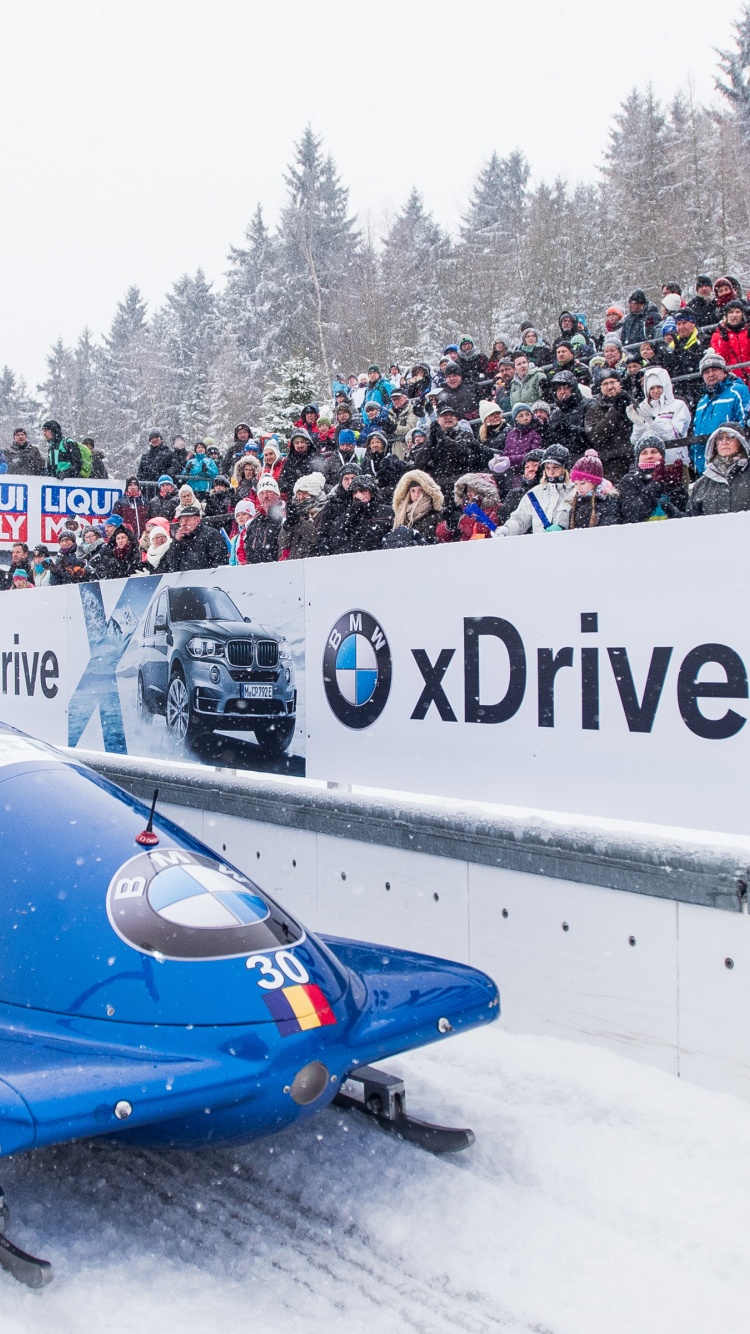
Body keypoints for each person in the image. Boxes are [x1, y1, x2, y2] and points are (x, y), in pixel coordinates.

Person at [494, 443, 575, 536]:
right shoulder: (535, 493)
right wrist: (507, 529)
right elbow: (520, 519)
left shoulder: (574, 491)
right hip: (539, 545)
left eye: (556, 467)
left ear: (565, 469)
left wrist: (563, 528)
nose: (551, 471)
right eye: (548, 468)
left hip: (568, 545)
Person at [692, 352, 750, 474]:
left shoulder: (738, 391)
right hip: (708, 466)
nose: (711, 374)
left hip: (733, 463)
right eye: (706, 372)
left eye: (715, 370)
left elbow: (745, 422)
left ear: (724, 372)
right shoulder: (702, 402)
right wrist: (700, 465)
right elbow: (697, 434)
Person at [627, 367, 691, 467]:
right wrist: (639, 424)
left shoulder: (678, 405)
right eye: (652, 388)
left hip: (674, 463)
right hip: (649, 466)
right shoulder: (643, 407)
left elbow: (676, 434)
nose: (655, 391)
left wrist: (652, 421)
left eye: (659, 387)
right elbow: (635, 441)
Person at [616, 438, 687, 524]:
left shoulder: (668, 477)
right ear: (637, 458)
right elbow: (633, 514)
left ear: (662, 456)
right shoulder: (628, 481)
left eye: (654, 452)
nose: (649, 456)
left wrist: (675, 487)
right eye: (644, 453)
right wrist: (655, 486)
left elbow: (684, 511)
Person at [583, 370, 634, 482]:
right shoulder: (595, 408)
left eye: (612, 382)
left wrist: (629, 404)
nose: (610, 387)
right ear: (600, 387)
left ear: (619, 384)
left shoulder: (630, 400)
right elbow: (595, 436)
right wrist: (615, 410)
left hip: (632, 458)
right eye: (605, 384)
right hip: (610, 463)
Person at [413, 403, 477, 492]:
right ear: (438, 420)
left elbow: (465, 455)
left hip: (460, 485)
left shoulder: (465, 435)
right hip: (439, 487)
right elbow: (419, 463)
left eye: (451, 415)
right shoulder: (433, 440)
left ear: (456, 419)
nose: (448, 417)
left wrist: (442, 438)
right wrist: (431, 439)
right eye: (444, 415)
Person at [687, 427, 750, 516]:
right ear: (714, 444)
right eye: (720, 438)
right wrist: (676, 515)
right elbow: (692, 520)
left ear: (740, 442)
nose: (724, 442)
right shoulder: (702, 484)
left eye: (731, 437)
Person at [163, 505, 229, 572]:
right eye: (181, 521)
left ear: (197, 520)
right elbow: (171, 564)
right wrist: (176, 542)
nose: (183, 524)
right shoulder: (181, 539)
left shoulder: (211, 535)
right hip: (184, 580)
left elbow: (219, 562)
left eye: (187, 520)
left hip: (205, 579)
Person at [436, 473, 500, 542]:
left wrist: (461, 520)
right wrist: (448, 525)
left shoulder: (497, 509)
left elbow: (489, 530)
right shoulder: (464, 511)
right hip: (466, 550)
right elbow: (441, 536)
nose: (468, 494)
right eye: (467, 490)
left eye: (473, 489)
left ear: (484, 490)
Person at [279, 473, 328, 560]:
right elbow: (282, 543)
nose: (300, 498)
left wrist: (298, 523)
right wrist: (287, 526)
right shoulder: (296, 512)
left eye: (304, 493)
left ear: (314, 494)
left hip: (314, 563)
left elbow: (319, 538)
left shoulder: (324, 511)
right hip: (294, 563)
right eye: (298, 494)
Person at [315, 463, 361, 556]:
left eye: (353, 478)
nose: (350, 482)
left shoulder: (368, 500)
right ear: (341, 481)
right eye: (346, 479)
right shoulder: (332, 504)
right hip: (339, 554)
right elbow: (324, 533)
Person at [338, 477, 392, 553]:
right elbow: (338, 535)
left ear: (371, 492)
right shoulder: (348, 513)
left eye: (363, 490)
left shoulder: (387, 511)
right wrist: (353, 511)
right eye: (355, 491)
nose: (359, 495)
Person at [567, 450, 619, 529]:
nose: (578, 487)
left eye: (583, 483)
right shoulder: (576, 504)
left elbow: (609, 528)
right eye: (575, 484)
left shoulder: (608, 502)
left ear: (595, 482)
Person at [667, 308, 706, 410]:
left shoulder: (703, 339)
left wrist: (683, 352)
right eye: (678, 324)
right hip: (680, 392)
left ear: (692, 324)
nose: (681, 327)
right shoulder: (672, 346)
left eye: (684, 323)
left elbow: (698, 362)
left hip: (699, 388)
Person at [390, 470, 444, 543]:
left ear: (426, 491)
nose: (416, 494)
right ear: (408, 493)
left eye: (420, 490)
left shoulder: (435, 516)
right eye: (413, 490)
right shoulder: (401, 516)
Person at [710, 299, 750, 387]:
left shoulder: (748, 331)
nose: (734, 315)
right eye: (731, 312)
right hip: (731, 381)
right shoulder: (718, 335)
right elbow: (720, 359)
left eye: (737, 312)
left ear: (742, 315)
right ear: (726, 316)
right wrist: (724, 340)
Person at [547, 372, 588, 455]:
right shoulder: (555, 414)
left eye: (566, 388)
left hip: (585, 456)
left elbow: (593, 434)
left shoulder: (588, 405)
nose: (562, 392)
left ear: (573, 389)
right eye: (559, 389)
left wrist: (571, 429)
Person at [498, 403, 543, 477]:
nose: (525, 418)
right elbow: (506, 452)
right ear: (515, 418)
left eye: (528, 414)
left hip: (531, 472)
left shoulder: (536, 432)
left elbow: (534, 455)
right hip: (513, 473)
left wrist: (511, 460)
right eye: (521, 416)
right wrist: (499, 459)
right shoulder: (511, 434)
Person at [359, 429, 405, 500]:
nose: (375, 445)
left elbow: (394, 481)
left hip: (389, 496)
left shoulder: (391, 459)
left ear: (384, 444)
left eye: (378, 442)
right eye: (372, 443)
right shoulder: (366, 462)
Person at [277, 428, 324, 497]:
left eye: (302, 442)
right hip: (293, 499)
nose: (300, 445)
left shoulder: (317, 458)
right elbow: (281, 481)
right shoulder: (289, 460)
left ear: (308, 443)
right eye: (297, 443)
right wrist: (292, 488)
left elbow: (322, 479)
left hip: (313, 498)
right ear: (293, 445)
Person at [390, 387, 420, 457]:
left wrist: (394, 428)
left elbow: (410, 428)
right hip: (393, 446)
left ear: (405, 397)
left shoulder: (412, 410)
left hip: (406, 446)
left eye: (398, 398)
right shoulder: (390, 412)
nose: (396, 401)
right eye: (394, 399)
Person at [228, 498, 256, 565]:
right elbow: (232, 560)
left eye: (244, 514)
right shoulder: (234, 539)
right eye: (238, 515)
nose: (240, 517)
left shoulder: (255, 533)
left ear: (251, 515)